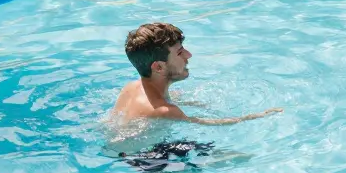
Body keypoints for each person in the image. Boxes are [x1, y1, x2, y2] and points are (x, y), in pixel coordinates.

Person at [110, 22, 283, 125]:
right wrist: (258, 116)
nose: (188, 55)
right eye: (180, 53)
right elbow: (211, 124)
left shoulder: (131, 88)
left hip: (125, 152)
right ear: (159, 67)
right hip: (145, 159)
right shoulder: (166, 111)